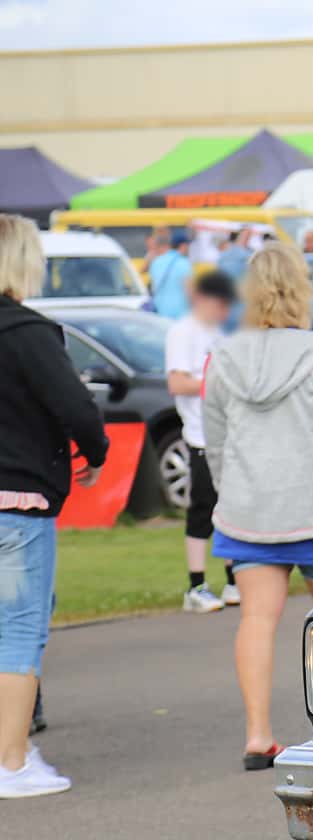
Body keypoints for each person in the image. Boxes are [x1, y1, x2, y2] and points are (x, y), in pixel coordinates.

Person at [201, 241, 313, 772]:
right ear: (304, 289)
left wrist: (227, 490)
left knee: (257, 618)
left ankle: (258, 735)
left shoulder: (222, 359)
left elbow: (215, 441)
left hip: (249, 512)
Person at [0, 214, 108, 799]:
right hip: (17, 500)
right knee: (18, 633)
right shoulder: (30, 332)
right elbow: (77, 408)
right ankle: (12, 763)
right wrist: (93, 452)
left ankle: (8, 745)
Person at [165, 269, 238, 613]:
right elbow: (178, 383)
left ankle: (233, 580)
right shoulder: (183, 333)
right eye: (221, 305)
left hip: (226, 433)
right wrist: (216, 382)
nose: (225, 312)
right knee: (203, 508)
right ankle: (196, 585)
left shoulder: (219, 333)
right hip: (199, 434)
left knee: (230, 507)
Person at [148, 230, 193, 319]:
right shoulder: (184, 263)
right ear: (183, 246)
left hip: (159, 314)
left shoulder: (156, 262)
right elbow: (190, 291)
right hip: (180, 315)